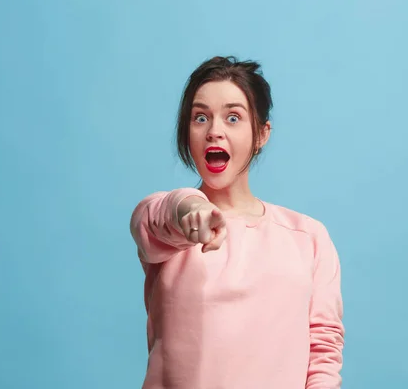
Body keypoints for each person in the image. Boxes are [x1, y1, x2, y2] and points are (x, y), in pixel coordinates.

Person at [130, 56, 344, 389]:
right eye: (200, 117)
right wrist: (190, 211)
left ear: (261, 134)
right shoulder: (168, 224)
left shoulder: (309, 238)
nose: (214, 131)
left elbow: (323, 352)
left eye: (233, 118)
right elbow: (159, 215)